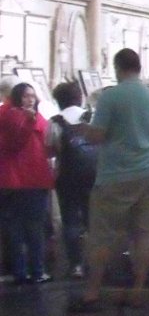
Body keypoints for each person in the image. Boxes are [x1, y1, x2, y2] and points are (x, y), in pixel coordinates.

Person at [69, 49, 149, 311]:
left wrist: (83, 130)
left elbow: (98, 136)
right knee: (142, 234)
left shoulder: (111, 97)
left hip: (115, 176)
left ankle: (91, 293)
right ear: (139, 67)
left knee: (101, 236)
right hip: (148, 172)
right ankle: (137, 291)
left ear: (118, 67)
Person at [0, 82, 55, 284]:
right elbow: (15, 142)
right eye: (25, 95)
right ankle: (35, 271)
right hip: (26, 180)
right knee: (31, 228)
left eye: (32, 95)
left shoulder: (22, 114)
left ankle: (23, 271)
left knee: (17, 228)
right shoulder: (14, 116)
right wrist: (30, 122)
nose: (30, 99)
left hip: (21, 179)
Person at [48, 81, 96, 279]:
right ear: (79, 97)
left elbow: (50, 148)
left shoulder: (55, 121)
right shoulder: (91, 116)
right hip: (93, 174)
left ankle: (76, 264)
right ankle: (96, 262)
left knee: (70, 220)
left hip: (67, 176)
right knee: (92, 218)